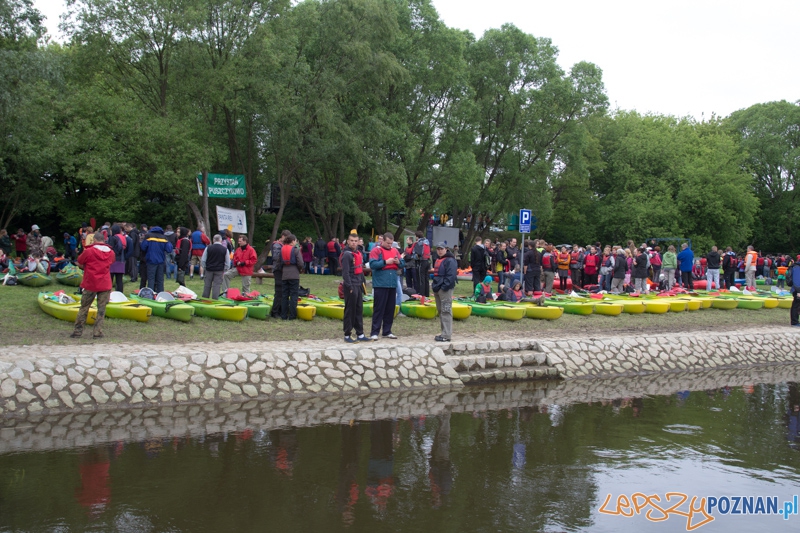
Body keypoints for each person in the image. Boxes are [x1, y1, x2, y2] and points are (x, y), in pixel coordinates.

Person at [71, 232, 115, 339]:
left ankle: (78, 331)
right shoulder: (111, 252)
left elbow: (80, 260)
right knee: (101, 309)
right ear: (104, 240)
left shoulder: (89, 251)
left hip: (91, 282)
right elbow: (111, 263)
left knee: (84, 307)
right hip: (105, 283)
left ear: (94, 240)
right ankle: (97, 332)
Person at [368, 232, 404, 340]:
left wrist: (398, 262)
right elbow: (372, 264)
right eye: (388, 243)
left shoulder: (395, 251)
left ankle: (387, 331)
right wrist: (385, 262)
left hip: (392, 283)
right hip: (380, 283)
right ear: (382, 241)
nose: (389, 245)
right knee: (379, 308)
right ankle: (374, 332)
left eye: (391, 243)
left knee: (390, 309)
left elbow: (402, 264)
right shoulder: (376, 250)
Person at [341, 233, 367, 342]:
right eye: (352, 240)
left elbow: (360, 270)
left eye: (356, 241)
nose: (354, 243)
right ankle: (347, 334)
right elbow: (345, 273)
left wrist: (363, 283)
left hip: (358, 284)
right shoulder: (347, 254)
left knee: (358, 310)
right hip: (351, 286)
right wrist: (349, 286)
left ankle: (360, 334)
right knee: (350, 310)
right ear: (348, 241)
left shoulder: (358, 253)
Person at [432, 242, 457, 342]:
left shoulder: (450, 260)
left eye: (441, 249)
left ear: (446, 249)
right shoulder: (439, 259)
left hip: (444, 289)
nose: (439, 251)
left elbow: (451, 276)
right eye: (438, 249)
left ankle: (446, 335)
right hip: (438, 287)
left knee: (446, 310)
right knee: (441, 311)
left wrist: (444, 287)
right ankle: (444, 333)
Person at [141, 226, 173, 294]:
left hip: (151, 260)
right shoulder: (164, 237)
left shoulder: (149, 236)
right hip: (161, 261)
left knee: (151, 279)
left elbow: (143, 247)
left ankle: (150, 294)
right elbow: (169, 249)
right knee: (160, 279)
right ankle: (160, 294)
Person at [279, 234, 304, 320]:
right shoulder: (295, 250)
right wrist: (300, 269)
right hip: (294, 274)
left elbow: (279, 262)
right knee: (294, 295)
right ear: (293, 241)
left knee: (285, 295)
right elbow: (300, 263)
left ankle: (283, 315)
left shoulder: (282, 249)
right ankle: (292, 315)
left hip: (285, 274)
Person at [200, 234, 230, 299]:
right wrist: (224, 270)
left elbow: (203, 260)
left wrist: (205, 267)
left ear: (213, 240)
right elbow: (227, 262)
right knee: (217, 286)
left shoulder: (208, 248)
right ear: (221, 240)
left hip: (209, 269)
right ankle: (215, 299)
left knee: (207, 285)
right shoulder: (225, 250)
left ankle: (205, 299)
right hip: (219, 270)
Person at [270, 230, 291, 318]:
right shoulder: (277, 245)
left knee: (283, 291)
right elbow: (275, 257)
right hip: (278, 270)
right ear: (282, 236)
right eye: (286, 238)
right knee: (279, 291)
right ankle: (275, 311)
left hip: (283, 270)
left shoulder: (283, 245)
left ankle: (280, 310)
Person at [108, 225, 127, 293]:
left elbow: (110, 248)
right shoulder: (123, 237)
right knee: (119, 280)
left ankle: (109, 293)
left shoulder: (112, 238)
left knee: (110, 279)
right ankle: (120, 294)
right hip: (121, 260)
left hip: (113, 261)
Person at [413, 230, 431, 296]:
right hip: (427, 261)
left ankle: (422, 294)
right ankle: (426, 294)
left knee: (421, 279)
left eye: (415, 236)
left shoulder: (419, 243)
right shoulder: (427, 242)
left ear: (417, 236)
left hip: (421, 261)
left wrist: (414, 256)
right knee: (426, 278)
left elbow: (419, 253)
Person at [789, 257, 800, 327]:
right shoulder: (797, 267)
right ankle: (794, 322)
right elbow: (796, 281)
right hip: (797, 290)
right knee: (796, 305)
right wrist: (798, 291)